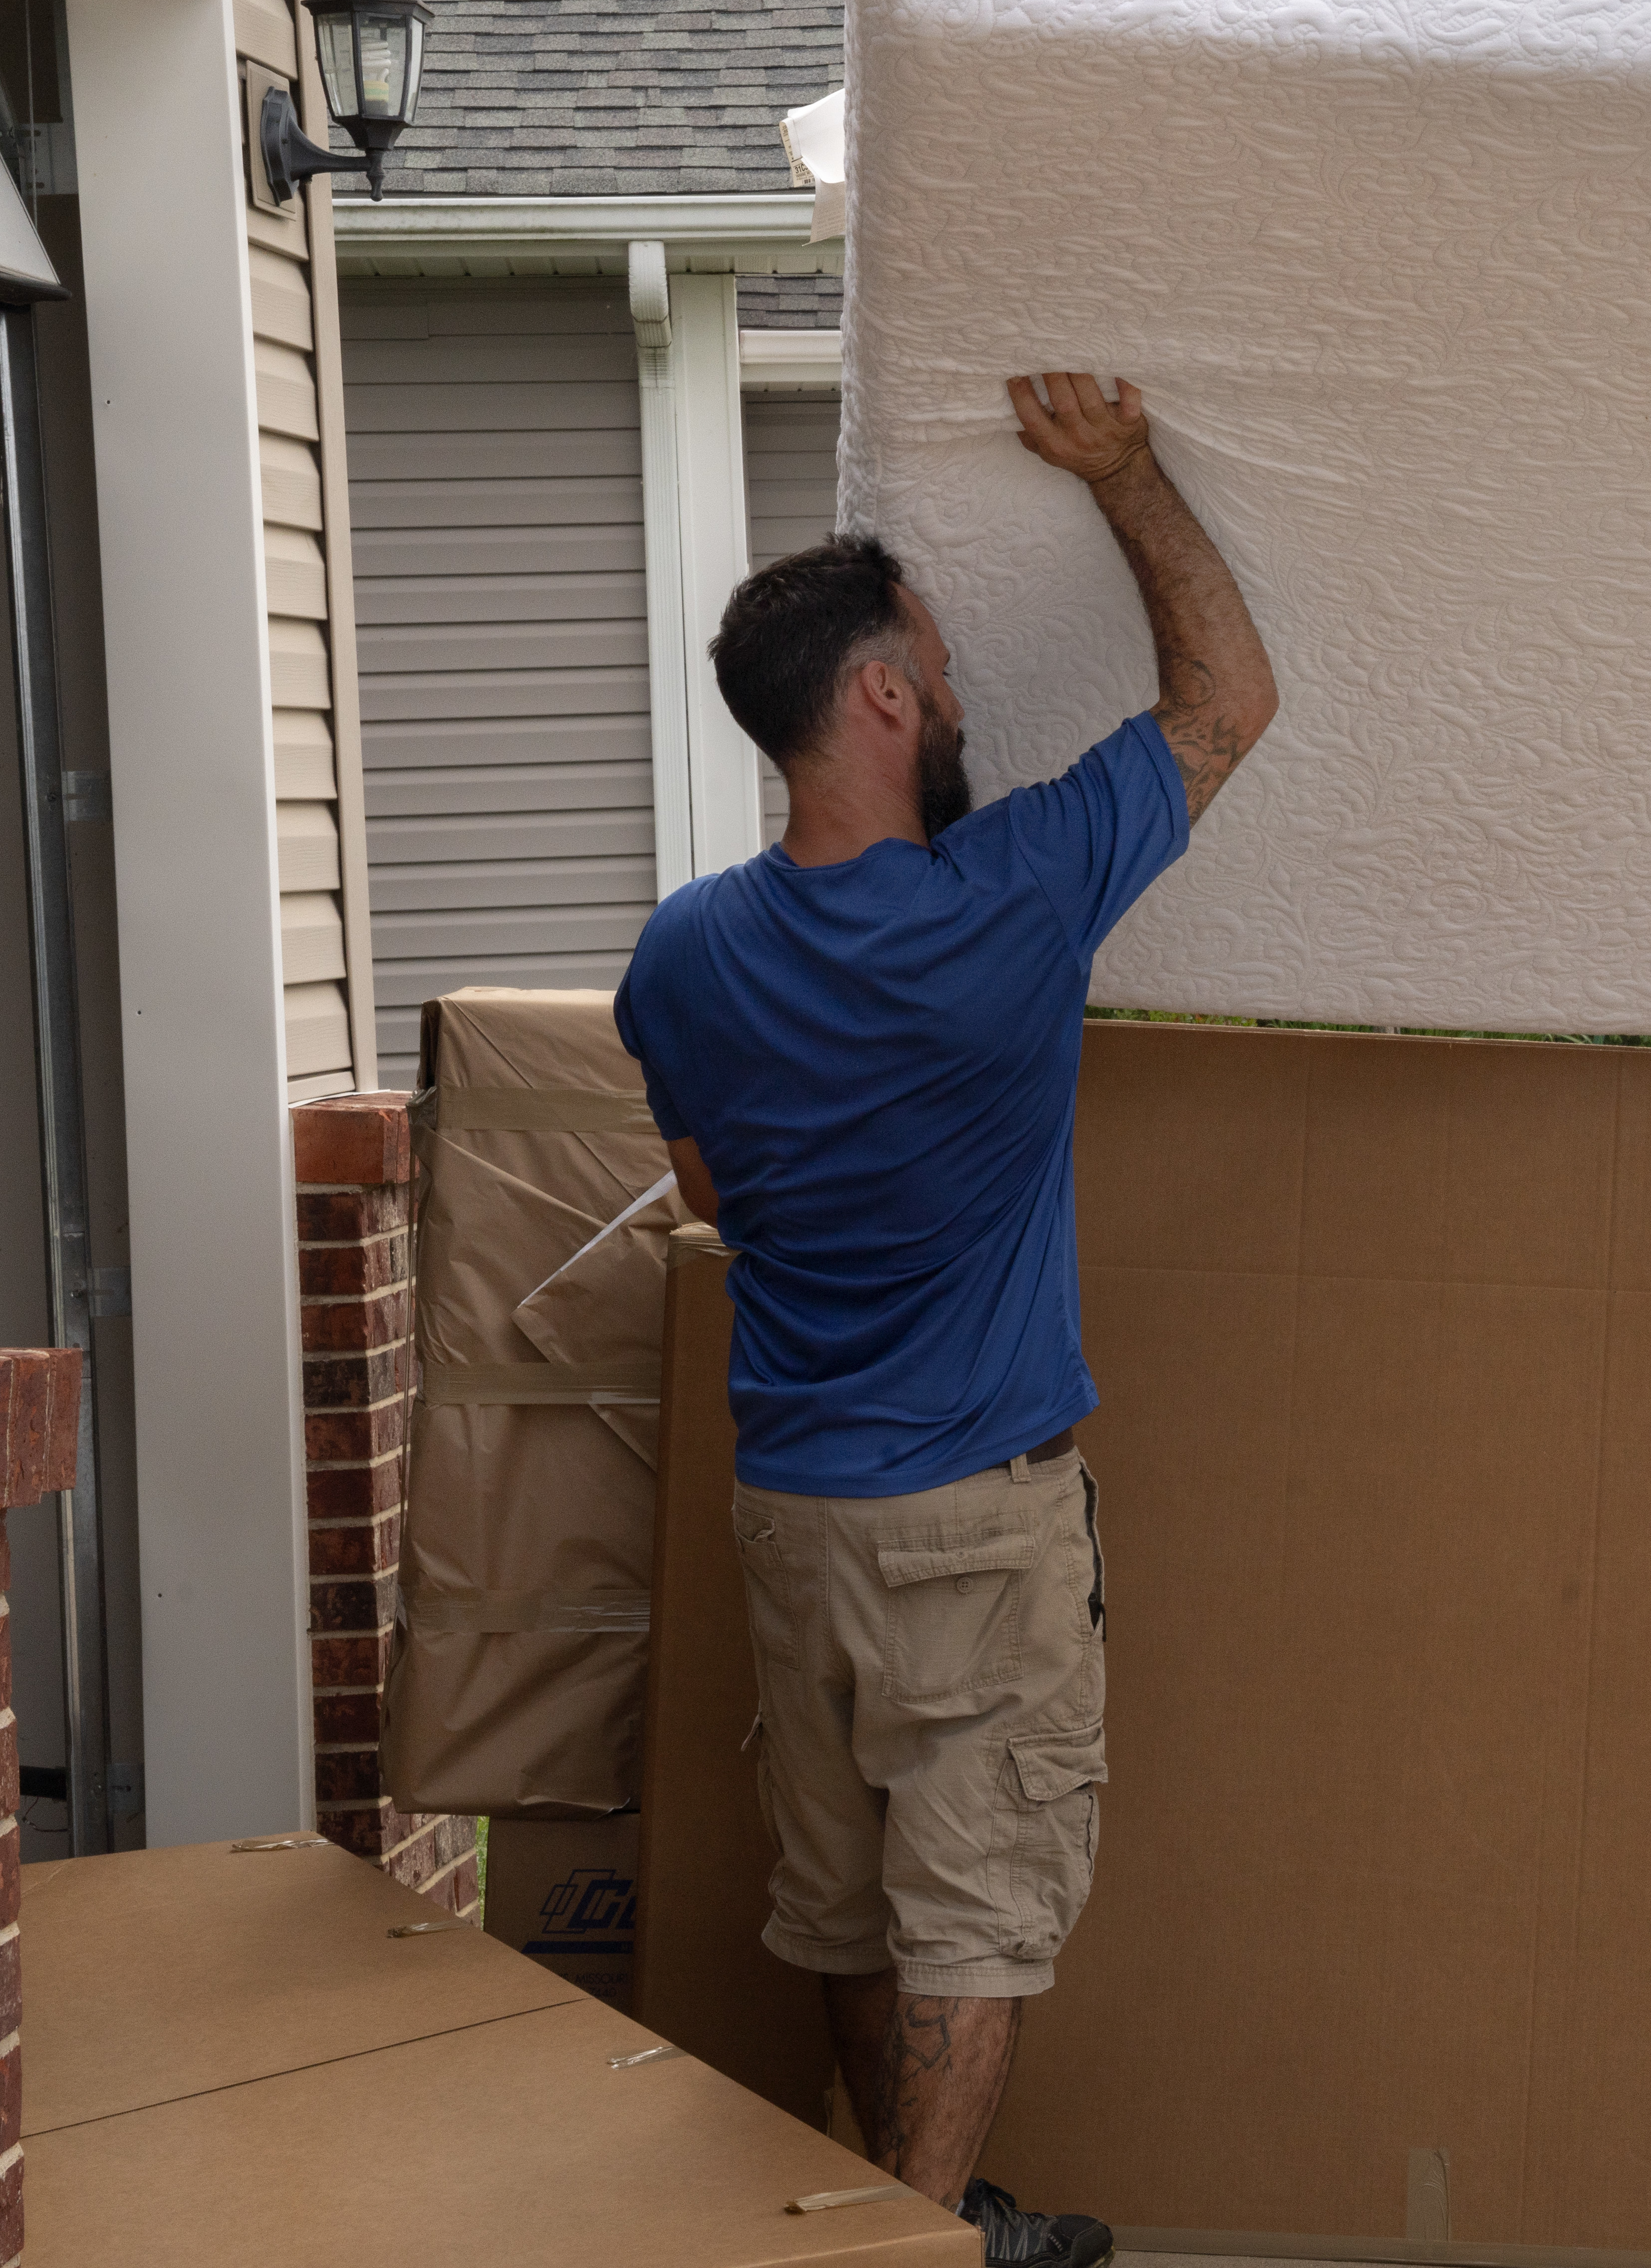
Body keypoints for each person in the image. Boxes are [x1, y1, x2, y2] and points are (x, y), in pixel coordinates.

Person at [617, 374, 1275, 2268]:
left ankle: (911, 2211)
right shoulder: (1009, 901)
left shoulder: (684, 952)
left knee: (846, 1912)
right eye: (944, 664)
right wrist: (1126, 470)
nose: (966, 693)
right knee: (974, 1918)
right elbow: (1229, 700)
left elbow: (712, 1201)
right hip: (972, 1530)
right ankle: (912, 2253)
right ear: (885, 700)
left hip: (795, 1515)